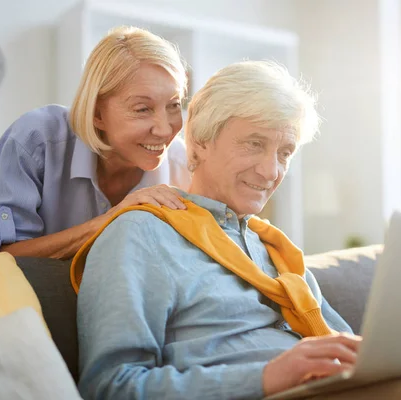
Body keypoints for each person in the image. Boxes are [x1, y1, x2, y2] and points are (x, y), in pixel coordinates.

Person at [72, 60, 362, 399]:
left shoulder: (274, 249)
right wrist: (268, 376)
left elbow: (347, 352)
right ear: (198, 143)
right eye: (254, 144)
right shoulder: (142, 233)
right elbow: (110, 388)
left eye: (285, 153)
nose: (271, 171)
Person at [0, 26, 191, 259]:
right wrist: (112, 220)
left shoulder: (182, 163)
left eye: (174, 105)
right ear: (97, 114)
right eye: (142, 109)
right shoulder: (37, 139)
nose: (165, 129)